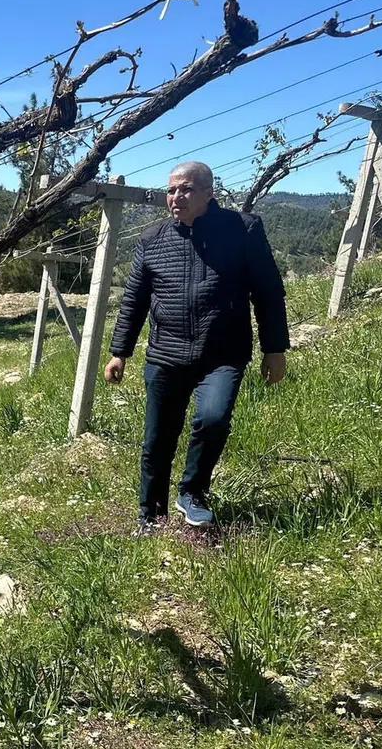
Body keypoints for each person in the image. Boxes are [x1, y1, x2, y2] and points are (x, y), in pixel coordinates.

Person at [105, 161, 289, 531]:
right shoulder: (152, 239)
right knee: (157, 441)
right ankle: (151, 517)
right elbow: (134, 300)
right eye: (171, 191)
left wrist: (275, 348)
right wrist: (119, 352)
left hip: (223, 353)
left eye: (185, 189)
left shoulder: (243, 230)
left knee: (214, 417)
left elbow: (268, 291)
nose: (176, 197)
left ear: (208, 192)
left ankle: (192, 492)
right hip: (166, 355)